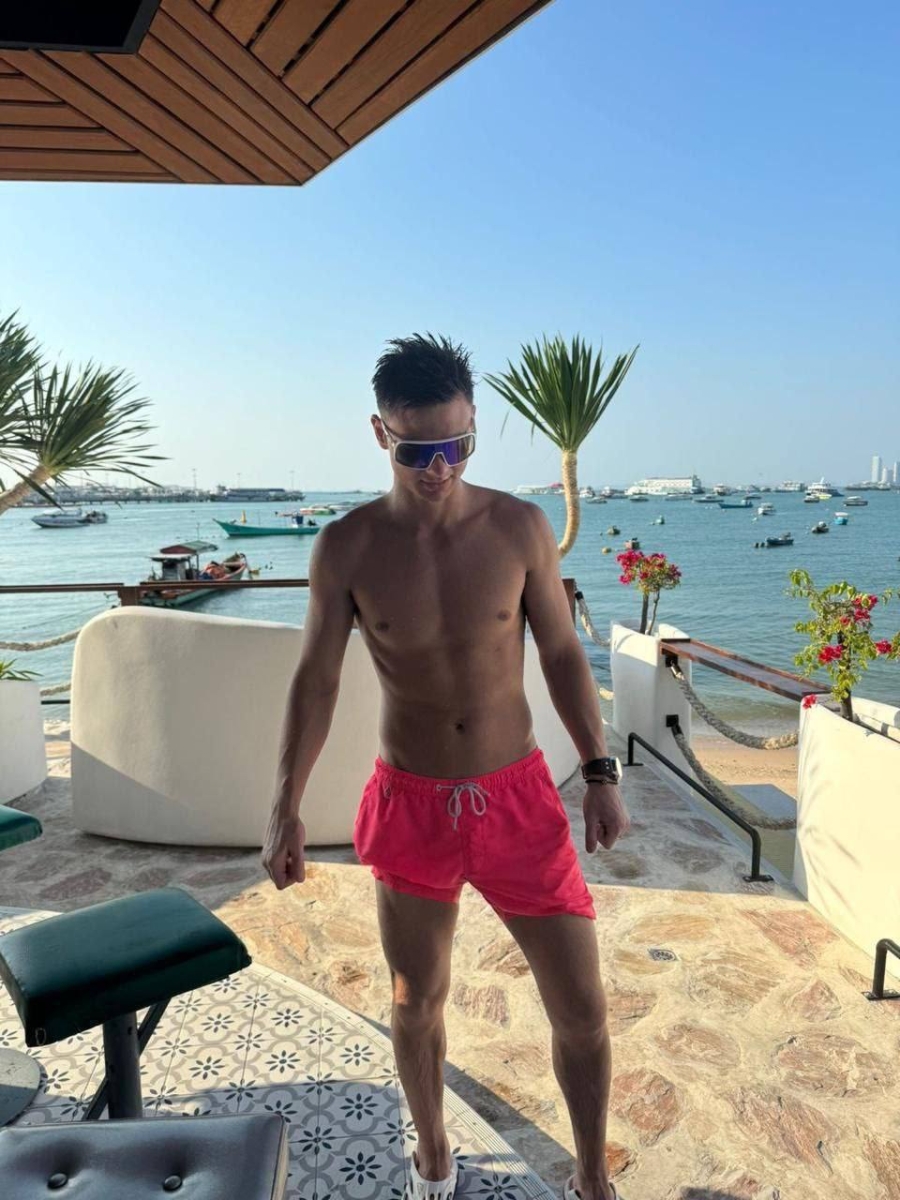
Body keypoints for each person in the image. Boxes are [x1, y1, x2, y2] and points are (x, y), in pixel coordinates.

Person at [262, 334, 631, 1200]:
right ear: (380, 434)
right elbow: (316, 680)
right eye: (416, 450)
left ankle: (590, 1179)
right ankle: (432, 1157)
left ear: (474, 428)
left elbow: (562, 654)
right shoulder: (347, 547)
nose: (439, 468)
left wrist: (599, 771)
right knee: (414, 999)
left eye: (457, 445)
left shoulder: (519, 528)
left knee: (582, 1009)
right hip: (412, 803)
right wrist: (285, 805)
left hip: (517, 799)